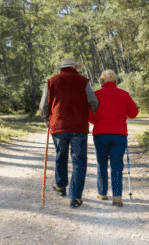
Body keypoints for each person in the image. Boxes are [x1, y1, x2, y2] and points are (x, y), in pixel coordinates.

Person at [39, 57, 99, 208]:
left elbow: (43, 105)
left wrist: (47, 119)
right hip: (79, 127)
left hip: (58, 126)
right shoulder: (83, 81)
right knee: (79, 161)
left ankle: (60, 185)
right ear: (75, 67)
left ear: (61, 68)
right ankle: (75, 197)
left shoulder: (51, 81)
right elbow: (93, 102)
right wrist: (92, 111)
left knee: (61, 155)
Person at [89, 70, 138, 207]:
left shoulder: (96, 95)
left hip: (100, 134)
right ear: (115, 81)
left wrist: (98, 122)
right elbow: (133, 113)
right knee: (117, 165)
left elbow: (88, 114)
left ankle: (102, 193)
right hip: (119, 134)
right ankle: (117, 197)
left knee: (102, 163)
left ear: (102, 81)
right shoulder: (124, 94)